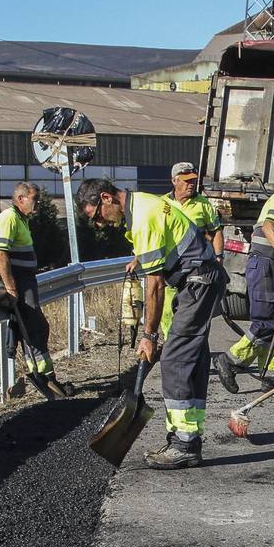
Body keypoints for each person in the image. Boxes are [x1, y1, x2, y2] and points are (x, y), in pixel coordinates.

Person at [77, 178, 225, 470]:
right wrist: (139, 258)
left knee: (174, 360)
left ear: (106, 198)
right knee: (192, 361)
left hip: (198, 282)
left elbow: (154, 286)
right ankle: (188, 438)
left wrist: (148, 335)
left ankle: (184, 445)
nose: (98, 224)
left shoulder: (143, 216)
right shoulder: (141, 203)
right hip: (200, 279)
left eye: (96, 216)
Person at [216, 161, 274, 394]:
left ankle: (272, 375)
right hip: (265, 264)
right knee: (265, 323)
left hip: (269, 265)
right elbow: (268, 226)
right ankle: (229, 360)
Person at [0, 182, 70, 399]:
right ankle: (44, 375)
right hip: (18, 281)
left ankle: (44, 374)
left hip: (24, 280)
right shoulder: (9, 218)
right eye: (35, 199)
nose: (38, 204)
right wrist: (10, 286)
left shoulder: (20, 219)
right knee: (35, 326)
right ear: (21, 199)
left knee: (32, 327)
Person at [166, 161, 224, 257]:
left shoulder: (204, 204)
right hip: (170, 260)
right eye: (187, 180)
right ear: (174, 181)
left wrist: (219, 256)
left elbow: (216, 231)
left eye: (193, 180)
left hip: (196, 260)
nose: (191, 184)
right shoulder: (163, 203)